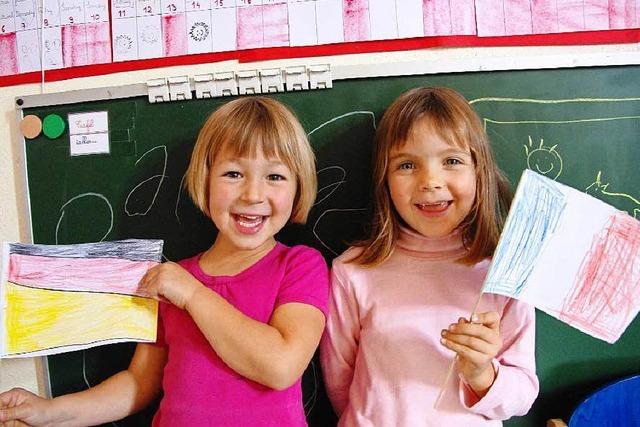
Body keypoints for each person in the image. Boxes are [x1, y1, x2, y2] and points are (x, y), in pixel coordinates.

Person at [0, 97, 329, 427]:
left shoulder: (300, 265)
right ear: (205, 179)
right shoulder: (169, 278)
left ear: (299, 186)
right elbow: (139, 384)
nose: (253, 194)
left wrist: (193, 295)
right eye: (233, 173)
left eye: (275, 177)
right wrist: (45, 412)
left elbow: (280, 366)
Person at [320, 87, 539, 426]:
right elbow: (340, 385)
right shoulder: (354, 271)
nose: (431, 181)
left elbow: (522, 395)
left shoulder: (504, 272)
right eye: (407, 165)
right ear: (384, 180)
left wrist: (482, 374)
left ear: (478, 171)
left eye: (451, 161)